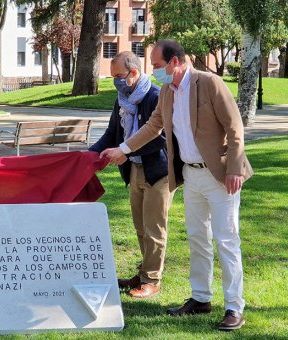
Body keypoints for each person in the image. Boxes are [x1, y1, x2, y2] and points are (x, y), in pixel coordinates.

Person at [102, 39, 253, 331]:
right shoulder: (168, 93)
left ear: (175, 62)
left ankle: (234, 307)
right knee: (197, 238)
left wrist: (234, 168)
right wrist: (123, 149)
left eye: (158, 66)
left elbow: (235, 126)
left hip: (221, 175)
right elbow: (152, 126)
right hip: (191, 175)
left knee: (226, 240)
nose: (155, 72)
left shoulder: (209, 83)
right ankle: (200, 298)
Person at [89, 51, 172, 299]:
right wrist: (88, 156)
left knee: (154, 228)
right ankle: (144, 272)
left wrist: (126, 151)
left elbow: (163, 138)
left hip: (158, 172)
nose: (115, 81)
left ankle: (152, 281)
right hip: (135, 170)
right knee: (140, 228)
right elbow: (112, 133)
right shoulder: (122, 99)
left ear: (134, 73)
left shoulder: (156, 97)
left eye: (118, 76)